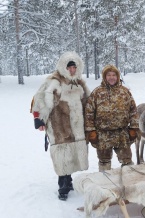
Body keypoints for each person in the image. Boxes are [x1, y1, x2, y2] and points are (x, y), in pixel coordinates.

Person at [31, 51, 90, 201]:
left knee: (72, 153)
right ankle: (62, 185)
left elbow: (89, 102)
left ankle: (68, 180)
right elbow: (40, 99)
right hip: (59, 125)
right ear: (64, 67)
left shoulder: (79, 83)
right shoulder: (54, 81)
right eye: (69, 67)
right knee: (62, 154)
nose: (72, 70)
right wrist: (39, 119)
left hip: (76, 126)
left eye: (74, 67)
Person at [85, 65, 139, 171]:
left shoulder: (125, 92)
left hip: (122, 133)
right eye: (108, 75)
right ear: (105, 77)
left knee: (127, 160)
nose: (111, 77)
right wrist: (91, 131)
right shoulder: (97, 93)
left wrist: (134, 128)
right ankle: (105, 183)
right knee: (104, 161)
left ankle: (128, 182)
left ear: (118, 77)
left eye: (114, 75)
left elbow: (133, 111)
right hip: (103, 134)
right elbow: (89, 113)